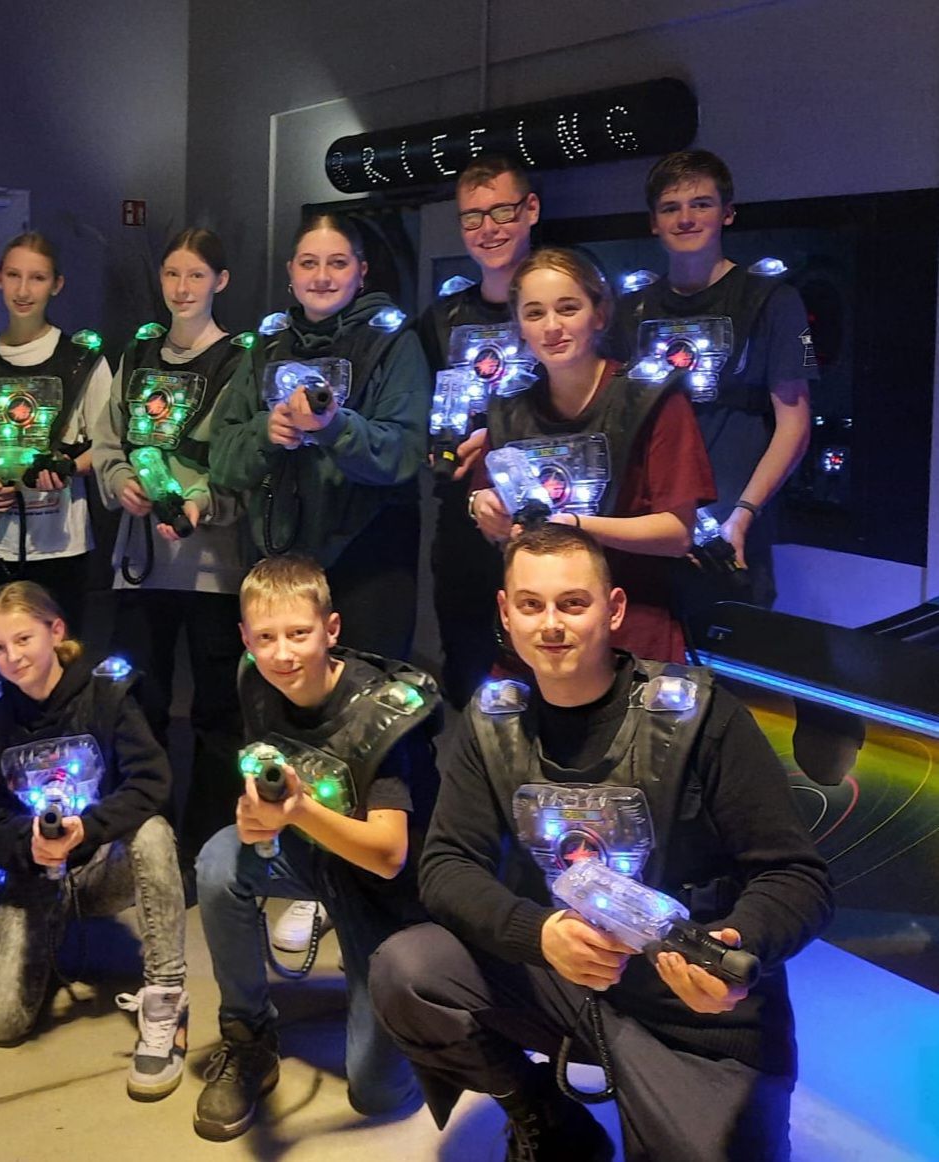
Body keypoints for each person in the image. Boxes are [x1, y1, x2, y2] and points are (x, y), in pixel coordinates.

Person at [370, 525, 833, 1161]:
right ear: (505, 612)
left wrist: (738, 944)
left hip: (692, 1010)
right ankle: (543, 1114)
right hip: (561, 976)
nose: (550, 625)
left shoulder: (703, 715)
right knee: (407, 971)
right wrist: (539, 934)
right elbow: (447, 866)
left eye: (572, 603)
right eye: (530, 604)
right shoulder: (495, 721)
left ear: (614, 609)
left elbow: (798, 877)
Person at [191, 555, 439, 1141]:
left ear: (331, 629)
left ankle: (424, 989)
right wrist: (255, 816)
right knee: (219, 861)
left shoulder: (382, 714)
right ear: (245, 639)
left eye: (299, 634)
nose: (282, 653)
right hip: (313, 854)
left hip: (387, 892)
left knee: (377, 1093)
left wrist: (299, 811)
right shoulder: (256, 679)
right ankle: (248, 1035)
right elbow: (266, 762)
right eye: (265, 638)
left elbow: (389, 855)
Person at [0, 582, 188, 1102]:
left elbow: (151, 782)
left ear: (56, 632)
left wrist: (89, 828)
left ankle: (167, 996)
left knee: (153, 832)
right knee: (0, 1024)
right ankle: (48, 937)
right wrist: (30, 846)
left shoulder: (105, 694)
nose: (12, 657)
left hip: (103, 864)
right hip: (37, 875)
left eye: (23, 639)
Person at [468, 247, 716, 663]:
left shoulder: (650, 398)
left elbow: (677, 533)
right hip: (538, 637)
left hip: (632, 632)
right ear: (520, 326)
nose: (552, 327)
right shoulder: (507, 407)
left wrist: (576, 527)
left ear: (599, 315)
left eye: (568, 308)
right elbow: (492, 516)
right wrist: (483, 509)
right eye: (534, 313)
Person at [91, 227, 250, 866]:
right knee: (139, 705)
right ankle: (143, 838)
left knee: (217, 712)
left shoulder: (240, 361)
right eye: (172, 275)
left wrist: (201, 502)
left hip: (211, 569)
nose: (182, 288)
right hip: (141, 566)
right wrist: (120, 481)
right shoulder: (138, 353)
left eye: (196, 275)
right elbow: (108, 442)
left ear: (221, 281)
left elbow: (243, 464)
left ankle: (210, 847)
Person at [210, 212, 430, 662]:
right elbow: (224, 458)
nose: (322, 277)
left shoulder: (394, 342)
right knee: (282, 689)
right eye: (309, 263)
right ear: (291, 271)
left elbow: (404, 453)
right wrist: (266, 432)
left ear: (361, 271)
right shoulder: (266, 346)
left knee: (369, 693)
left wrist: (334, 427)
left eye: (338, 263)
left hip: (370, 563)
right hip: (279, 565)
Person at [618, 150, 816, 612]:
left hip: (731, 531)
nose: (686, 218)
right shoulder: (630, 309)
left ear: (727, 213)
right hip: (646, 528)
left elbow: (794, 424)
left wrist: (743, 515)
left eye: (701, 204)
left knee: (733, 651)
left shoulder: (771, 299)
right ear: (653, 223)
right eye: (670, 207)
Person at [0, 232, 112, 632]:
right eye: (14, 275)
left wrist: (68, 467)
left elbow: (108, 445)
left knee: (59, 649)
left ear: (56, 284)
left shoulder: (82, 360)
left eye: (37, 278)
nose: (24, 290)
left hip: (59, 544)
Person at [419, 155, 541, 706]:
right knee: (469, 678)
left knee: (549, 673)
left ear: (530, 209)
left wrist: (495, 441)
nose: (488, 228)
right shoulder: (441, 318)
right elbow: (416, 413)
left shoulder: (560, 306)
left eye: (502, 212)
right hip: (462, 524)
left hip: (546, 518)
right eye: (472, 217)